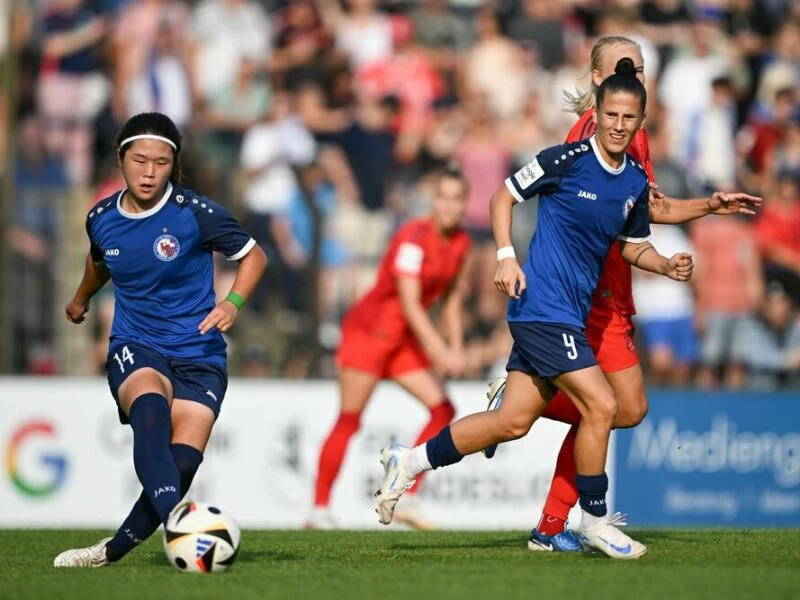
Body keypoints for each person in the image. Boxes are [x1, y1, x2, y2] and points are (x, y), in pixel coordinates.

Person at [375, 61, 693, 559]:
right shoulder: (564, 159)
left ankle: (409, 461)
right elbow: (503, 196)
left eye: (628, 118)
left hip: (567, 313)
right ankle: (593, 520)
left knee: (512, 422)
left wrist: (665, 264)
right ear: (597, 111)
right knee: (603, 406)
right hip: (543, 308)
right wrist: (506, 255)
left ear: (640, 121)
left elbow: (632, 246)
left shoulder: (632, 180)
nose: (617, 125)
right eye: (610, 114)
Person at [493, 36, 761, 553]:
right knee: (607, 406)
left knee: (625, 409)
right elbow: (603, 216)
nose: (634, 74)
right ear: (597, 79)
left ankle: (525, 418)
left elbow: (643, 210)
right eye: (623, 68)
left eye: (638, 67)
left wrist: (709, 204)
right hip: (586, 298)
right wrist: (507, 254)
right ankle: (561, 521)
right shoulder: (591, 137)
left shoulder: (632, 134)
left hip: (615, 293)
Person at [53, 112, 267, 567]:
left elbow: (254, 257)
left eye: (162, 163)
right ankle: (186, 525)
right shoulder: (102, 217)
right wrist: (80, 299)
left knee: (182, 466)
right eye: (140, 160)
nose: (150, 172)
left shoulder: (196, 214)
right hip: (137, 341)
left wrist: (233, 303)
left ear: (175, 164)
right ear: (121, 159)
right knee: (149, 412)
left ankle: (109, 551)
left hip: (200, 352)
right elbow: (101, 261)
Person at [309, 164, 471, 530]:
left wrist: (457, 345)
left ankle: (407, 497)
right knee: (349, 420)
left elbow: (452, 302)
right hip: (369, 333)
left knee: (442, 409)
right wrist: (439, 350)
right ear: (433, 201)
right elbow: (411, 303)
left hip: (400, 342)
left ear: (464, 204)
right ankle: (317, 510)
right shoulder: (413, 237)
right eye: (442, 197)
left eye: (456, 199)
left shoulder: (460, 243)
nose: (448, 205)